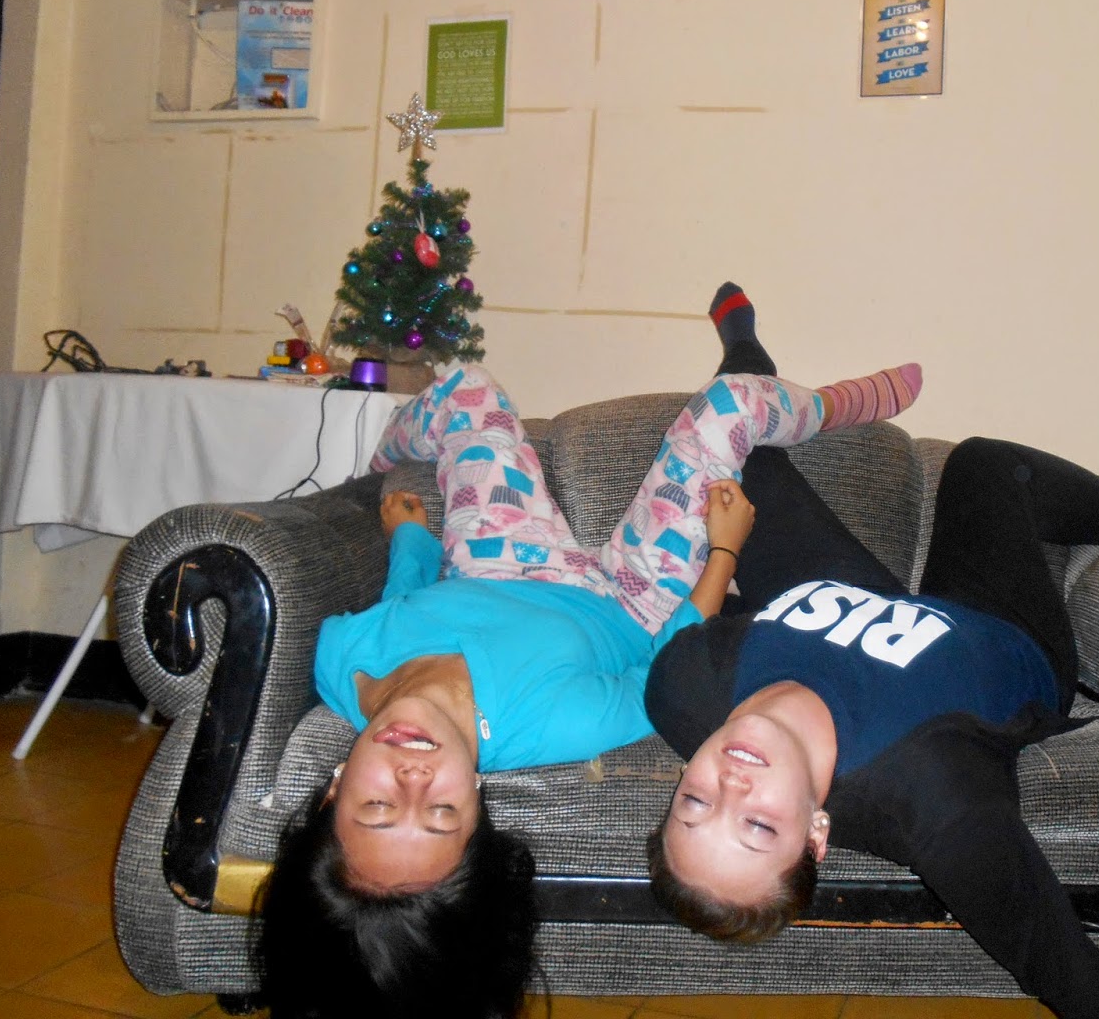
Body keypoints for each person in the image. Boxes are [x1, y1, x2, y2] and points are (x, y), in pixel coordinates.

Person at [255, 284, 924, 1019]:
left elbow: (400, 607)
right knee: (728, 406)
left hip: (496, 560)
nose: (414, 777)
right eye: (440, 811)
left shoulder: (337, 663)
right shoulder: (555, 724)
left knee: (467, 388)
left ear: (334, 791)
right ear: (477, 805)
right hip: (632, 600)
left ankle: (377, 453)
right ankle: (832, 407)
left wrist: (409, 539)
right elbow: (669, 664)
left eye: (379, 805)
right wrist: (724, 553)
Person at [643, 293, 1099, 1019]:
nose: (730, 785)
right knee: (983, 464)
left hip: (835, 607)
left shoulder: (680, 686)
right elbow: (1054, 960)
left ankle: (745, 356)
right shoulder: (928, 793)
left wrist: (726, 552)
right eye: (757, 827)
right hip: (996, 630)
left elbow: (695, 613)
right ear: (816, 834)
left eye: (694, 804)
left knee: (734, 446)